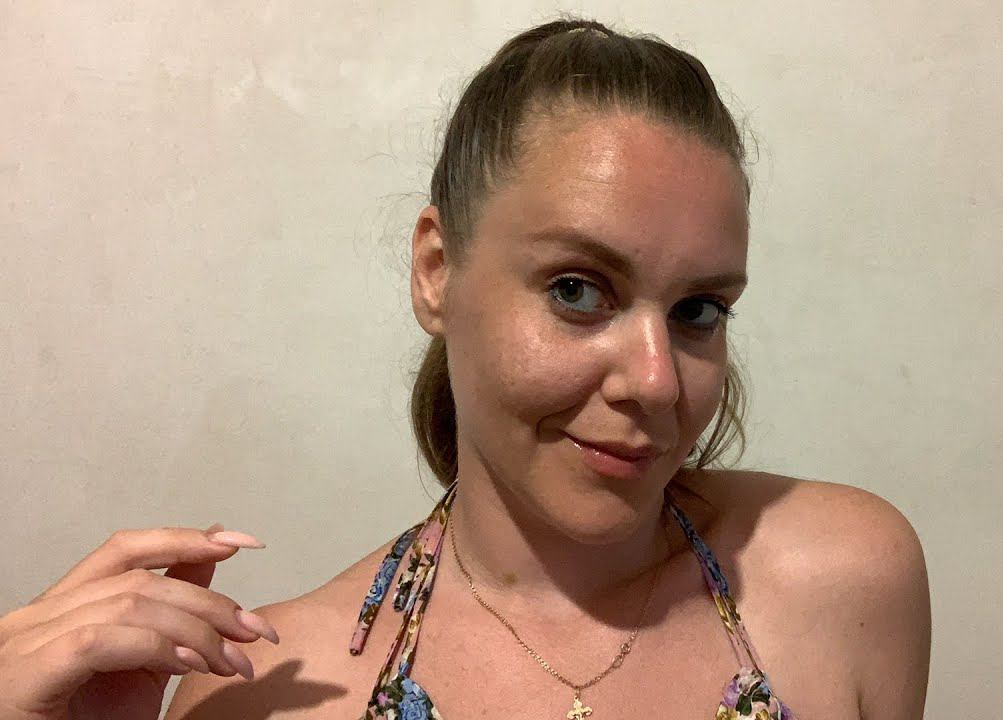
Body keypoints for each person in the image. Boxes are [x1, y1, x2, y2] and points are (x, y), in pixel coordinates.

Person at [0, 15, 930, 720]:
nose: (655, 381)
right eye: (577, 289)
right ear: (437, 272)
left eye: (698, 311)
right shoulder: (268, 693)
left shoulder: (845, 583)